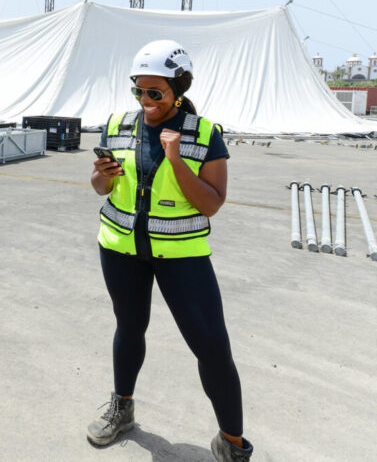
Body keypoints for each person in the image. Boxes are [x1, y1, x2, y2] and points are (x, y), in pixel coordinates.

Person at [87, 40, 252, 462]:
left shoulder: (204, 134)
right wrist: (102, 176)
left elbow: (212, 202)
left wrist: (175, 159)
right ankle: (122, 407)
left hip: (182, 256)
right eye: (138, 91)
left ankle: (232, 442)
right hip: (121, 249)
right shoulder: (118, 124)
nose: (145, 101)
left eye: (154, 93)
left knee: (213, 345)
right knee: (129, 328)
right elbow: (101, 189)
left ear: (178, 89)